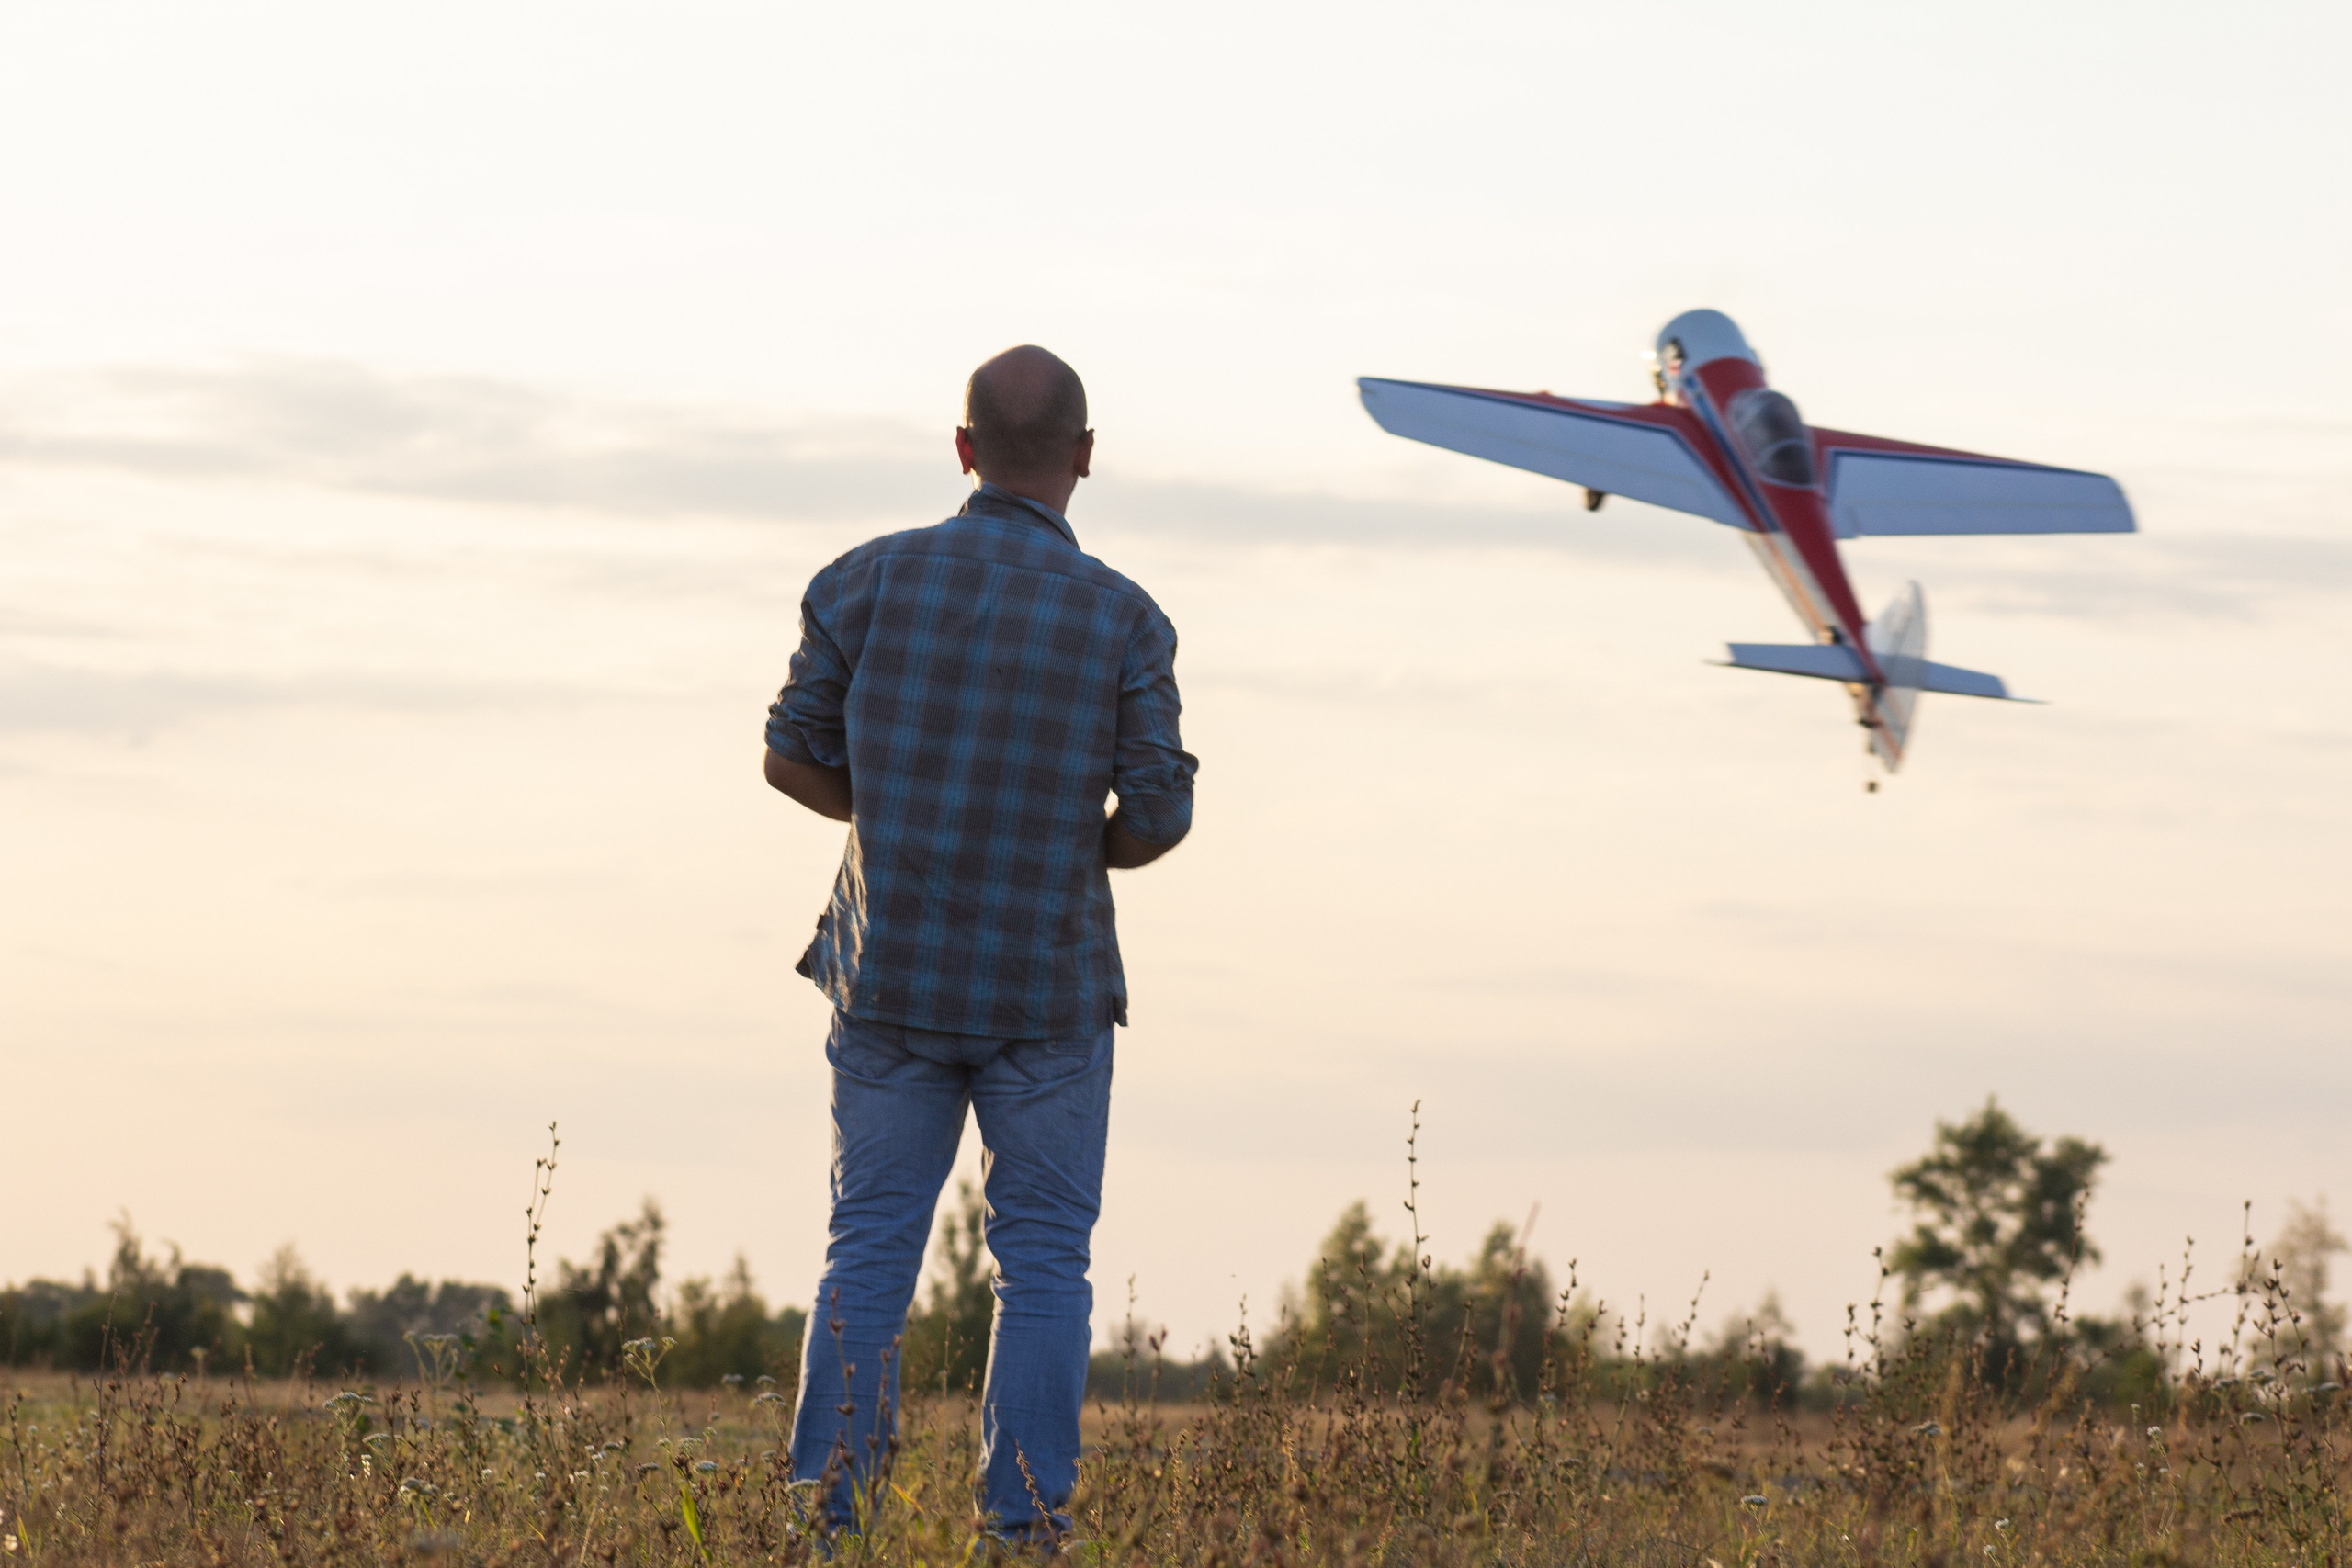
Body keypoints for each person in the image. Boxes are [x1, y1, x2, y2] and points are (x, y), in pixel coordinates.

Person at [762, 345, 1196, 1541]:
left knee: (867, 1258)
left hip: (889, 975)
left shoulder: (860, 583)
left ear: (962, 450)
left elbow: (788, 756)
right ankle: (1022, 1529)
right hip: (1048, 994)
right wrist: (1070, 843)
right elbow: (1159, 811)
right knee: (1044, 1265)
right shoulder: (1124, 617)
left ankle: (825, 1525)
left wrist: (902, 812)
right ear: (1085, 456)